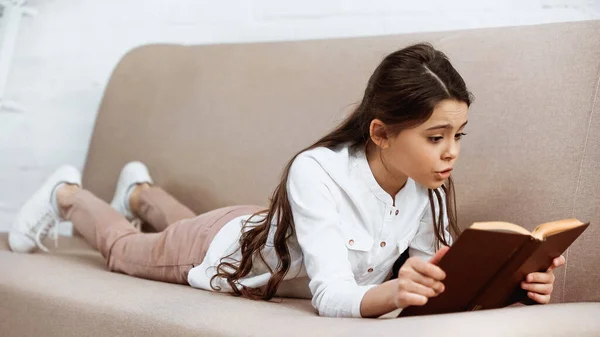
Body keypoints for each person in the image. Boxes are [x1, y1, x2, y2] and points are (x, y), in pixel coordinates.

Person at [8, 43, 564, 318]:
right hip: (219, 251)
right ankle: (67, 195)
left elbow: (431, 284)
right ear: (382, 132)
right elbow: (328, 295)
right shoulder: (316, 170)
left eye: (459, 136)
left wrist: (516, 283)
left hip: (258, 234)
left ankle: (138, 192)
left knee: (189, 226)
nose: (451, 154)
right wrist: (393, 289)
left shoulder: (427, 187)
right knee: (127, 250)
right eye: (436, 136)